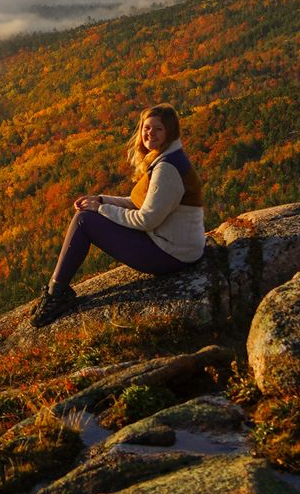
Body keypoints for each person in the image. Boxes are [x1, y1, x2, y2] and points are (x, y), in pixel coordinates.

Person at [30, 103, 205, 327]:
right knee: (87, 215)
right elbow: (138, 204)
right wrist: (101, 200)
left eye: (158, 129)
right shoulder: (165, 158)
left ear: (170, 132)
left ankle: (56, 295)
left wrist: (101, 210)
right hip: (176, 247)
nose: (150, 133)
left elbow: (146, 219)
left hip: (171, 255)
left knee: (84, 221)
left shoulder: (166, 169)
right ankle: (57, 291)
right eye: (147, 128)